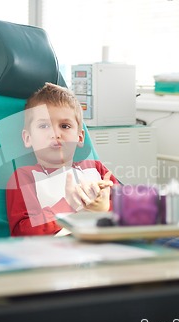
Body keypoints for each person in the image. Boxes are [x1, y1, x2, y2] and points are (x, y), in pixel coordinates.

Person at [6, 83, 118, 236]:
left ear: (80, 137)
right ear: (28, 138)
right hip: (57, 254)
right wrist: (68, 205)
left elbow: (132, 211)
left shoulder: (96, 170)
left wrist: (105, 208)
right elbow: (22, 232)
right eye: (44, 125)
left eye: (65, 126)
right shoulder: (24, 178)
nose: (55, 133)